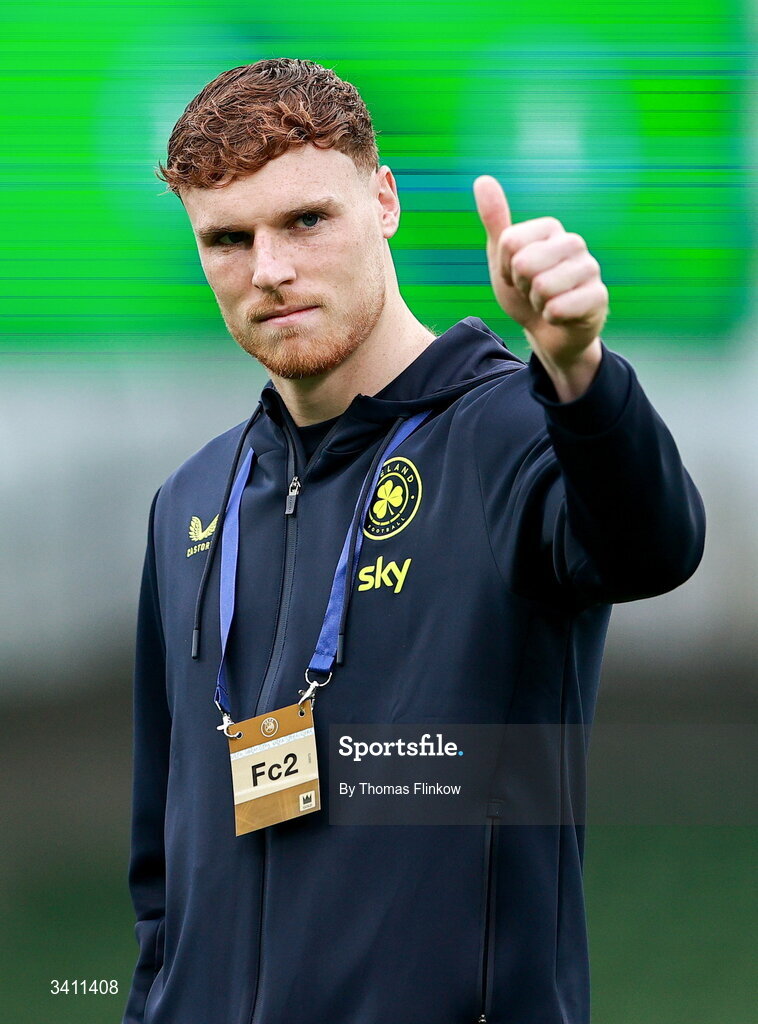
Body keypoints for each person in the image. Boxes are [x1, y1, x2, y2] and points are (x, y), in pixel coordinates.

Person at [123, 57, 705, 1024]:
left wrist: (578, 372)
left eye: (306, 220)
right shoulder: (191, 499)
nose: (269, 269)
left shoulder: (515, 432)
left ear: (384, 200)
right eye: (228, 238)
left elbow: (654, 547)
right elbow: (162, 875)